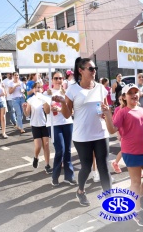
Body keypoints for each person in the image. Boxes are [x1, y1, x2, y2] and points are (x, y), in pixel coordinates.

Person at [53, 57, 112, 207]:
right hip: (82, 135)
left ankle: (109, 199)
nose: (94, 72)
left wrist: (105, 112)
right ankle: (80, 191)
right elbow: (67, 114)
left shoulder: (100, 87)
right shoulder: (73, 89)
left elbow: (105, 107)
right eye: (91, 69)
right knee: (85, 166)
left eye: (95, 69)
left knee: (103, 166)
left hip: (100, 132)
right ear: (81, 71)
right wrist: (62, 102)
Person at [102, 83, 143, 227]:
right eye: (130, 93)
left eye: (136, 92)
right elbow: (112, 130)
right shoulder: (122, 112)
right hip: (131, 152)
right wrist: (107, 115)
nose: (134, 95)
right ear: (124, 97)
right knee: (135, 182)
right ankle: (136, 211)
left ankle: (137, 197)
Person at [43, 72, 76, 185]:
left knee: (67, 150)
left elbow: (71, 111)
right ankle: (55, 177)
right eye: (56, 78)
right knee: (60, 150)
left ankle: (69, 176)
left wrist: (61, 106)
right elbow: (47, 111)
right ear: (52, 80)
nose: (58, 80)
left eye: (60, 78)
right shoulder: (47, 92)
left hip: (67, 122)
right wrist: (48, 98)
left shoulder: (68, 92)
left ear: (63, 80)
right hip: (53, 124)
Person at [23, 82, 52, 174]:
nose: (38, 89)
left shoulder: (44, 99)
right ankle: (36, 157)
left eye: (40, 88)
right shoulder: (30, 100)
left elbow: (47, 112)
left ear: (42, 89)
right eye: (36, 88)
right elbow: (27, 114)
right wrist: (24, 108)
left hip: (44, 124)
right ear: (33, 89)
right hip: (35, 125)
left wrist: (46, 102)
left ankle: (47, 165)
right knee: (38, 146)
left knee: (46, 145)